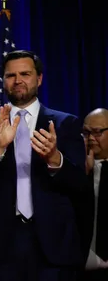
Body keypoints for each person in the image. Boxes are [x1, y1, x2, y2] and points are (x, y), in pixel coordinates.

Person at [0, 50, 90, 281]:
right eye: (11, 75)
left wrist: (55, 159)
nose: (18, 80)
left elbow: (81, 187)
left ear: (39, 78)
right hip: (2, 247)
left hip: (54, 249)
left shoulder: (65, 124)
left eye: (25, 73)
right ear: (3, 80)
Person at [80, 108, 108, 281]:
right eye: (86, 133)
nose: (90, 139)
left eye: (97, 133)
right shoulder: (74, 169)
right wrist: (84, 173)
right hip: (80, 265)